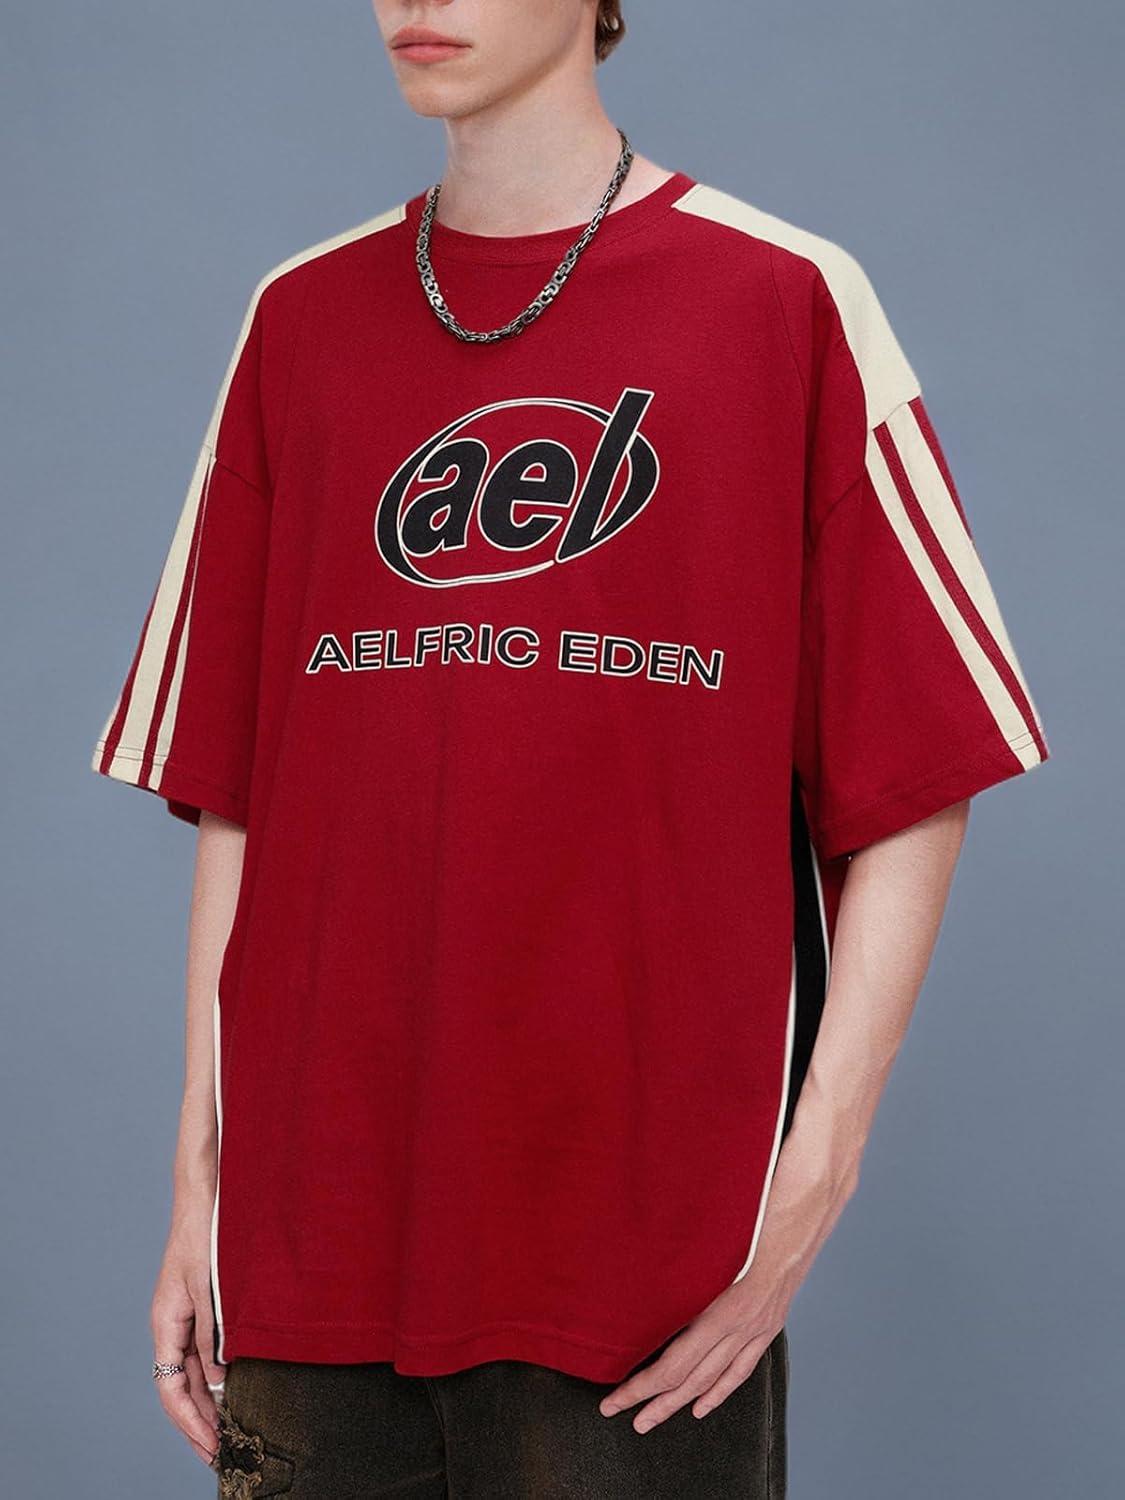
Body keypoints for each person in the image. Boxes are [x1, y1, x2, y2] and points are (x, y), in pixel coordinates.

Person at [89, 2, 1051, 1495]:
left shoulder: (784, 297)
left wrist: (813, 1177)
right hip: (312, 1237)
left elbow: (917, 773)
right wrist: (196, 1185)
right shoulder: (299, 317)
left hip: (643, 1263)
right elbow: (242, 797)